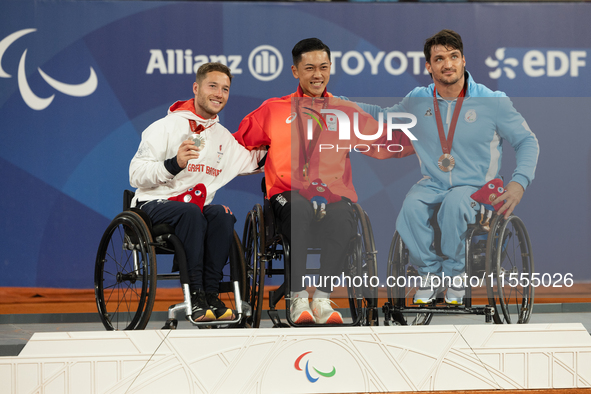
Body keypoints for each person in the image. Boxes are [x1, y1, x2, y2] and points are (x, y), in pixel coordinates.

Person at [233, 38, 414, 324]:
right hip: (287, 194)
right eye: (309, 68)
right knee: (299, 211)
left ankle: (322, 297)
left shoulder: (346, 111)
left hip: (332, 195)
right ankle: (297, 297)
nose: (318, 74)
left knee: (345, 216)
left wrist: (426, 142)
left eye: (324, 67)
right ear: (295, 71)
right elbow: (235, 146)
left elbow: (383, 142)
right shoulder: (272, 110)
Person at [352, 29, 539, 305]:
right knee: (411, 207)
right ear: (429, 66)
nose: (447, 64)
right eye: (439, 58)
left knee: (454, 203)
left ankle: (456, 275)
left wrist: (518, 182)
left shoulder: (493, 101)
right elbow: (383, 117)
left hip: (478, 187)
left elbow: (527, 141)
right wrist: (341, 105)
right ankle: (429, 274)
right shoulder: (417, 100)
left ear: (463, 60)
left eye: (453, 56)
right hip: (433, 184)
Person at [129, 62, 263, 322]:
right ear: (196, 88)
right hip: (153, 205)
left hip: (194, 212)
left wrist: (289, 146)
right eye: (212, 86)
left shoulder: (223, 137)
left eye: (225, 89)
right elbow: (136, 174)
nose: (219, 94)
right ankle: (195, 296)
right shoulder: (164, 127)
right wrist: (174, 164)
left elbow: (254, 160)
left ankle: (211, 295)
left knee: (222, 214)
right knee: (192, 212)